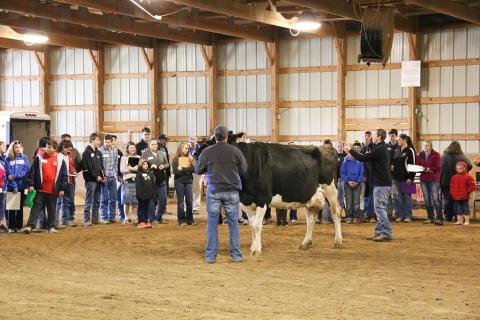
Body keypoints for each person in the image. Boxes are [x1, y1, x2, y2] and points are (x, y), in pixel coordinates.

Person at [196, 125, 248, 263]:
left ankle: (211, 256)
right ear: (226, 136)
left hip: (214, 190)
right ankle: (236, 255)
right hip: (231, 191)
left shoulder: (207, 152)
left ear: (215, 136)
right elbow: (244, 170)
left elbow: (199, 169)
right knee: (233, 223)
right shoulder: (235, 151)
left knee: (212, 223)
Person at [344, 128, 393, 242]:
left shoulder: (380, 149)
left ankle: (386, 233)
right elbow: (365, 156)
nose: (372, 136)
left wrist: (350, 150)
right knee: (380, 208)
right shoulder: (379, 148)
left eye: (374, 135)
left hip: (381, 183)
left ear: (379, 137)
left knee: (379, 209)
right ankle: (379, 232)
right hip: (381, 182)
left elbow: (363, 158)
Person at [22, 140, 68, 234]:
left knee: (52, 209)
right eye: (46, 146)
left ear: (55, 149)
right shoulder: (39, 158)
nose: (47, 148)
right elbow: (32, 172)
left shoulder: (60, 159)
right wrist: (30, 184)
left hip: (53, 190)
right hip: (40, 189)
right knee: (36, 208)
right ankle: (30, 226)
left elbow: (64, 175)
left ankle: (51, 226)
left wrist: (62, 188)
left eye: (49, 147)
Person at [440, 141, 472, 222]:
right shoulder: (462, 156)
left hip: (445, 182)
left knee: (447, 200)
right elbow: (469, 165)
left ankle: (448, 216)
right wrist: (463, 172)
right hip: (459, 182)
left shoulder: (444, 156)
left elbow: (440, 169)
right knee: (457, 200)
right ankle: (457, 217)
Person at [140, 139, 169, 224]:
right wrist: (149, 167)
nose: (155, 146)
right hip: (150, 179)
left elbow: (167, 164)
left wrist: (163, 166)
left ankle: (159, 217)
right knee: (152, 201)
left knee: (163, 200)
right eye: (152, 144)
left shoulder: (162, 153)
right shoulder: (145, 154)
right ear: (149, 145)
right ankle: (152, 218)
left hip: (161, 179)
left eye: (155, 144)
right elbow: (140, 165)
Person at [5, 141, 30, 233]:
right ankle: (11, 227)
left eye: (19, 147)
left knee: (19, 207)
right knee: (11, 207)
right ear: (12, 149)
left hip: (22, 185)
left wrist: (15, 176)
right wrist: (14, 186)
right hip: (11, 186)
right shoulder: (8, 158)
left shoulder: (25, 157)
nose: (18, 149)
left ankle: (19, 226)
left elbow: (25, 170)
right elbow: (9, 173)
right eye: (16, 147)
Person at [416, 141, 443, 225]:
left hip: (434, 179)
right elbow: (417, 165)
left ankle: (439, 218)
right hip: (423, 179)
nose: (425, 147)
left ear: (430, 146)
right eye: (424, 145)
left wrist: (429, 169)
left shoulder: (436, 154)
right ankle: (430, 217)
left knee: (436, 199)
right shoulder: (420, 155)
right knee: (427, 200)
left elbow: (438, 166)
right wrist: (423, 169)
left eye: (427, 145)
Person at [392, 134, 416, 223]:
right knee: (399, 198)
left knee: (407, 197)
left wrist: (411, 178)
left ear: (404, 140)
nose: (398, 141)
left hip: (407, 178)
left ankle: (408, 216)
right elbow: (394, 160)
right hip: (397, 178)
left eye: (399, 140)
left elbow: (413, 164)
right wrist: (392, 165)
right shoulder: (397, 150)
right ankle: (401, 216)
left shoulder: (410, 150)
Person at [82, 133, 105, 227]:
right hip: (91, 180)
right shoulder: (86, 152)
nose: (99, 142)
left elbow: (101, 166)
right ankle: (86, 220)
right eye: (98, 140)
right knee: (89, 200)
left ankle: (95, 219)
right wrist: (96, 176)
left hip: (99, 180)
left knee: (97, 200)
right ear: (92, 140)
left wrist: (103, 176)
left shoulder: (98, 152)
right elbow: (88, 167)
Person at [172, 143, 196, 226]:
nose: (187, 150)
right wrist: (187, 170)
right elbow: (176, 172)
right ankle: (182, 220)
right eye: (186, 148)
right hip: (179, 182)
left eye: (188, 148)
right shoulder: (176, 159)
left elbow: (193, 169)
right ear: (181, 148)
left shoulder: (189, 158)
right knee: (181, 202)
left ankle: (190, 219)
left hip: (188, 181)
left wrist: (182, 168)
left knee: (189, 201)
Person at [340, 142, 364, 223]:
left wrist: (357, 182)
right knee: (348, 201)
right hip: (347, 184)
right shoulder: (345, 161)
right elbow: (342, 173)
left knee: (356, 201)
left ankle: (356, 217)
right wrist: (348, 181)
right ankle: (349, 217)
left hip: (358, 184)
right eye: (349, 154)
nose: (351, 155)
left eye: (352, 154)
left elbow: (361, 173)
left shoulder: (360, 161)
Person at [58, 140, 78, 227]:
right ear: (63, 147)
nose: (69, 151)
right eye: (67, 149)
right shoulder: (58, 156)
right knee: (64, 201)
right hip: (62, 182)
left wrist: (74, 172)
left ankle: (70, 218)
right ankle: (65, 219)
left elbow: (72, 167)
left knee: (71, 201)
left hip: (71, 180)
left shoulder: (70, 156)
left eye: (70, 150)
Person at [99, 134, 119, 224]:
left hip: (112, 177)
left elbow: (115, 164)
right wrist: (102, 176)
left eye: (108, 142)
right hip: (104, 178)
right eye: (105, 142)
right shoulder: (100, 150)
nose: (106, 143)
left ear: (112, 142)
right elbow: (99, 165)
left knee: (113, 198)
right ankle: (104, 217)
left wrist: (115, 175)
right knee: (104, 198)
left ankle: (112, 217)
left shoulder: (115, 150)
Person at [450, 161, 475, 226]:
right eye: (457, 169)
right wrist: (452, 193)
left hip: (465, 196)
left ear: (464, 168)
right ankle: (459, 221)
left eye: (460, 168)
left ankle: (467, 221)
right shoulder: (454, 177)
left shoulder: (468, 177)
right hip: (456, 197)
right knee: (459, 208)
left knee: (465, 208)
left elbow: (472, 185)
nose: (459, 170)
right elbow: (451, 186)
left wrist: (468, 192)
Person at [120, 142, 139, 224]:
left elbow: (140, 168)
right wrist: (133, 169)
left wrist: (130, 168)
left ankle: (135, 216)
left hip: (136, 181)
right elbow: (122, 170)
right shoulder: (124, 158)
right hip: (127, 181)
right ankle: (126, 217)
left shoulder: (138, 157)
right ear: (127, 149)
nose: (133, 149)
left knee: (135, 201)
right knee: (126, 201)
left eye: (134, 147)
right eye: (131, 148)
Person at [135, 160, 155, 229]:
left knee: (147, 208)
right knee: (141, 208)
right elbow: (138, 186)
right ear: (141, 165)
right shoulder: (139, 174)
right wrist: (139, 195)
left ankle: (146, 221)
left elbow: (153, 184)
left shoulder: (150, 174)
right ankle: (141, 221)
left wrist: (153, 194)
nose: (146, 165)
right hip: (141, 195)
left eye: (147, 164)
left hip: (149, 195)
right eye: (144, 164)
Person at [361, 131, 376, 223]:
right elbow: (361, 163)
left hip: (373, 176)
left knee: (372, 195)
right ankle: (366, 213)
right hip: (364, 177)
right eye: (365, 136)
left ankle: (372, 215)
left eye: (369, 136)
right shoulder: (362, 149)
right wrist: (363, 175)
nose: (367, 137)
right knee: (365, 196)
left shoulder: (374, 148)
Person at [386, 129, 399, 220]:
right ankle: (389, 214)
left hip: (397, 175)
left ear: (396, 136)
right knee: (387, 195)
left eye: (393, 135)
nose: (391, 137)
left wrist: (394, 165)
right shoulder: (386, 146)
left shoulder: (400, 145)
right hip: (387, 175)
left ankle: (397, 214)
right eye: (390, 135)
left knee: (396, 195)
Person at [111, 135, 124, 222]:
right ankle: (109, 216)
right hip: (108, 177)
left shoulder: (119, 153)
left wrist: (119, 176)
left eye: (115, 140)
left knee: (119, 198)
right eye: (112, 140)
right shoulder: (102, 151)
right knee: (108, 198)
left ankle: (121, 216)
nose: (113, 142)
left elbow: (120, 165)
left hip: (118, 178)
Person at [189, 136, 202, 215]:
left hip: (198, 172)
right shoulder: (186, 148)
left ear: (196, 141)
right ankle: (187, 207)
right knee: (188, 189)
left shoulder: (200, 149)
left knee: (197, 189)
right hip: (188, 172)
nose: (191, 143)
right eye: (190, 142)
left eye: (193, 141)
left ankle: (196, 208)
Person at [0, 141, 8, 232]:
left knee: (2, 205)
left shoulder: (3, 158)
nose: (5, 147)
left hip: (3, 186)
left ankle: (1, 223)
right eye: (3, 145)